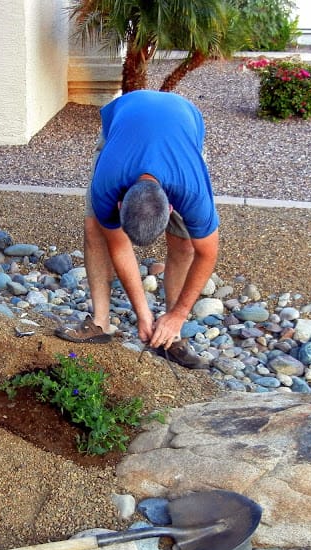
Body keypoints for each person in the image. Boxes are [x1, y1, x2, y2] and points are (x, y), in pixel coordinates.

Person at [55, 90, 219, 369]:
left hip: (183, 125)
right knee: (95, 227)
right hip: (125, 121)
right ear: (120, 203)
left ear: (170, 209)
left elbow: (207, 253)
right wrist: (143, 315)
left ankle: (172, 335)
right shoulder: (107, 183)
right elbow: (118, 245)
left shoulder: (192, 191)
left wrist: (178, 314)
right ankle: (100, 323)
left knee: (186, 243)